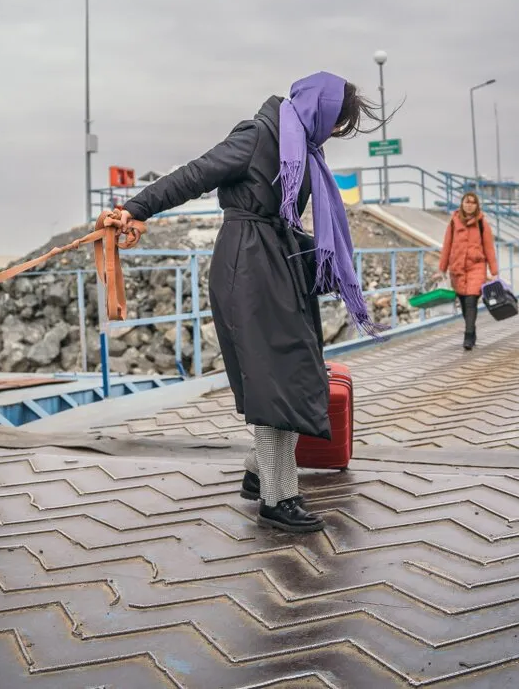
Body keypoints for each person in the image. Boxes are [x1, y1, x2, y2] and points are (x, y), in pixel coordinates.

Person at [109, 72, 384, 532]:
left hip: (273, 261)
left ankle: (259, 475)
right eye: (336, 121)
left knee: (293, 370)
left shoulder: (298, 143)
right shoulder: (260, 135)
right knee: (278, 376)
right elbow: (195, 174)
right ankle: (278, 499)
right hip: (249, 265)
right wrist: (136, 209)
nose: (335, 132)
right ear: (318, 109)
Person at [437, 191, 498, 350]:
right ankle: (471, 329)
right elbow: (447, 246)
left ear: (477, 205)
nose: (470, 205)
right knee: (464, 303)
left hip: (476, 268)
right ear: (462, 204)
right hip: (457, 269)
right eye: (467, 202)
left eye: (473, 202)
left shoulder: (481, 223)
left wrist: (494, 271)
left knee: (471, 301)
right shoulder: (453, 222)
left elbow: (489, 248)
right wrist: (441, 269)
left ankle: (468, 335)